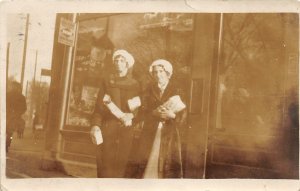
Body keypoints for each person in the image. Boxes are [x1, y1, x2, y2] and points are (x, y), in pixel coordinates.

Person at [90, 49, 141, 178]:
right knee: (105, 165)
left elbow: (140, 108)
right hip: (109, 128)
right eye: (116, 60)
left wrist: (133, 115)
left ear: (127, 64)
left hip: (127, 129)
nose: (118, 63)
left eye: (122, 61)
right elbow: (99, 107)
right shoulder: (107, 82)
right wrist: (95, 125)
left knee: (122, 166)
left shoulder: (135, 85)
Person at [135, 59, 186, 178]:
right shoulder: (149, 89)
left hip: (170, 132)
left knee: (167, 162)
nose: (158, 75)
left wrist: (172, 115)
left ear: (167, 73)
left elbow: (184, 113)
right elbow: (142, 111)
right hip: (151, 131)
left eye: (161, 71)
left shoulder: (177, 89)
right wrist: (153, 113)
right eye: (155, 72)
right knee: (149, 161)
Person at [6, 81, 27, 152]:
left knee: (7, 132)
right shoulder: (21, 97)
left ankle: (6, 144)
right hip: (14, 117)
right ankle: (7, 144)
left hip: (7, 116)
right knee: (10, 132)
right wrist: (18, 113)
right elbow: (24, 108)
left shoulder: (7, 95)